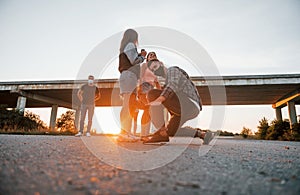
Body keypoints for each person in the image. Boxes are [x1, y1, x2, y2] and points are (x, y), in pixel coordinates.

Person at [144, 60, 214, 144]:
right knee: (170, 131)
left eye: (155, 67)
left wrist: (159, 99)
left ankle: (161, 133)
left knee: (152, 93)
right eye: (153, 70)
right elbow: (169, 99)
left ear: (161, 64)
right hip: (188, 109)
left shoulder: (172, 70)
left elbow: (172, 85)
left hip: (189, 103)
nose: (155, 70)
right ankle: (203, 135)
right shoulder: (167, 80)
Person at [117, 29, 147, 142]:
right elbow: (134, 61)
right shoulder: (130, 45)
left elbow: (131, 59)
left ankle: (126, 132)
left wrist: (139, 54)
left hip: (129, 76)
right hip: (129, 76)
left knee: (129, 105)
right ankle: (124, 132)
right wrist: (143, 56)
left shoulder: (126, 46)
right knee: (127, 104)